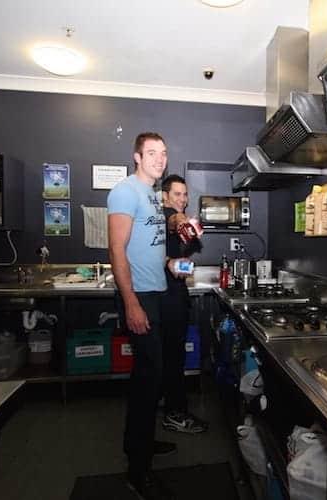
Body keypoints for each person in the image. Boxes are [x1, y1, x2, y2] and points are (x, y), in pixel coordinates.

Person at [107, 132, 187, 499]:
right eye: (151, 153)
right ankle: (136, 471)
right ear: (137, 157)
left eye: (163, 153)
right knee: (148, 379)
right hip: (140, 296)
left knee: (149, 378)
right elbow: (117, 250)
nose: (159, 158)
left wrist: (171, 263)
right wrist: (131, 303)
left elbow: (150, 248)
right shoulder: (126, 191)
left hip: (156, 290)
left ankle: (139, 445)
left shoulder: (153, 197)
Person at [159, 175, 208, 434]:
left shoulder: (174, 219)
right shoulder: (168, 215)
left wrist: (183, 265)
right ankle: (175, 413)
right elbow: (174, 220)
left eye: (185, 194)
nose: (182, 199)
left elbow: (173, 261)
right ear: (166, 196)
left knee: (169, 357)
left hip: (172, 294)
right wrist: (183, 222)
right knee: (173, 358)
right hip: (168, 300)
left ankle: (169, 405)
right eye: (177, 194)